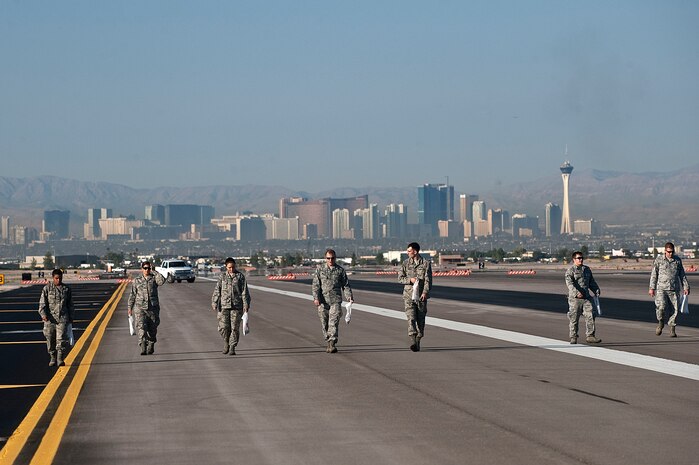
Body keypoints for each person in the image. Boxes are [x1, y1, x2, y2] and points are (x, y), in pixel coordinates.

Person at [312, 249, 354, 353]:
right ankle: (328, 340)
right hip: (323, 301)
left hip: (336, 300)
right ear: (325, 258)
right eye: (328, 258)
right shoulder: (320, 270)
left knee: (333, 322)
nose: (330, 260)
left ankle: (332, 343)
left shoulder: (340, 271)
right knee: (324, 323)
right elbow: (316, 285)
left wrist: (349, 297)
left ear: (335, 258)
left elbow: (346, 285)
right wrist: (316, 298)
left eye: (332, 258)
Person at [649, 242, 690, 337]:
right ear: (665, 251)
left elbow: (682, 275)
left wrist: (686, 287)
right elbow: (654, 274)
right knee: (661, 307)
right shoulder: (659, 260)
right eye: (668, 252)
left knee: (674, 310)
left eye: (672, 252)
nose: (670, 254)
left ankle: (672, 329)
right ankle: (661, 322)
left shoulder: (677, 261)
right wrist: (652, 288)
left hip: (674, 289)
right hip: (661, 289)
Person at [211, 257, 251, 355]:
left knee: (234, 328)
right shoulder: (222, 277)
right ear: (226, 267)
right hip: (224, 306)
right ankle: (226, 342)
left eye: (233, 267)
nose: (231, 269)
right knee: (223, 327)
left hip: (237, 306)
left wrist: (246, 304)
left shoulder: (240, 277)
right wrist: (214, 302)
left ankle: (232, 347)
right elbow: (217, 290)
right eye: (229, 267)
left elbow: (244, 291)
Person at [398, 242, 432, 352]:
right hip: (408, 295)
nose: (407, 253)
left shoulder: (426, 264)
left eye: (409, 251)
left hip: (421, 296)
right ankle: (413, 340)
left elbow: (428, 280)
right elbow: (400, 278)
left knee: (420, 321)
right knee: (411, 318)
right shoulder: (405, 264)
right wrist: (410, 280)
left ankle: (418, 339)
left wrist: (425, 292)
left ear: (415, 251)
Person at [128, 261, 167, 355]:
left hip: (153, 308)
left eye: (149, 268)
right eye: (145, 268)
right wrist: (130, 308)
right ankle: (142, 345)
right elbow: (132, 295)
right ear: (142, 269)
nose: (147, 270)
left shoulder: (154, 279)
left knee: (152, 329)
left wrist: (155, 272)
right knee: (141, 327)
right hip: (140, 308)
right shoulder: (136, 280)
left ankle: (151, 343)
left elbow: (161, 281)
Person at [38, 269, 75, 366]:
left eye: (60, 278)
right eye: (56, 278)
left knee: (61, 339)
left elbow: (70, 304)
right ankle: (52, 357)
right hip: (50, 319)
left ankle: (60, 358)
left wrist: (71, 317)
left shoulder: (66, 289)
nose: (58, 280)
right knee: (50, 339)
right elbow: (42, 303)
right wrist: (43, 315)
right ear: (53, 278)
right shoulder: (47, 289)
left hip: (62, 318)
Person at [565, 252, 602, 344]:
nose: (581, 259)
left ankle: (590, 336)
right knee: (574, 318)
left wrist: (596, 289)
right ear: (574, 259)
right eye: (578, 258)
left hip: (586, 297)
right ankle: (573, 337)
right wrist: (576, 293)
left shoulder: (587, 269)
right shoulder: (570, 271)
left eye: (582, 258)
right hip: (575, 299)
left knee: (591, 315)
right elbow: (569, 284)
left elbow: (591, 282)